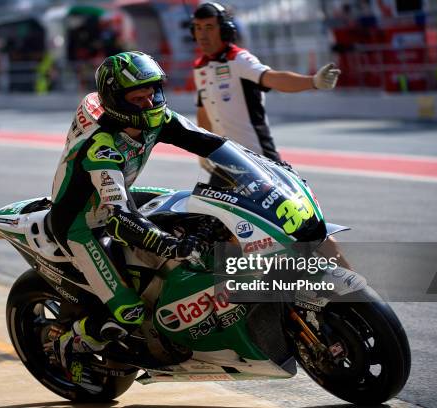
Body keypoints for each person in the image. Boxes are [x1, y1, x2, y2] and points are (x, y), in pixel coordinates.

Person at [47, 51, 225, 378]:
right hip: (83, 225)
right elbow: (117, 219)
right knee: (127, 313)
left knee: (200, 211)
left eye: (153, 92)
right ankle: (70, 341)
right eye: (138, 97)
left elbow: (210, 143)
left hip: (118, 198)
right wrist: (168, 245)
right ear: (118, 101)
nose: (150, 102)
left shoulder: (157, 118)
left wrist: (262, 168)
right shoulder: (100, 145)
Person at [191, 2, 341, 162]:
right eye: (198, 28)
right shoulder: (200, 68)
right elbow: (204, 111)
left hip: (258, 160)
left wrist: (313, 81)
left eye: (209, 27)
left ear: (225, 30)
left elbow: (275, 79)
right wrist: (203, 153)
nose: (202, 35)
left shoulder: (239, 59)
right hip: (226, 160)